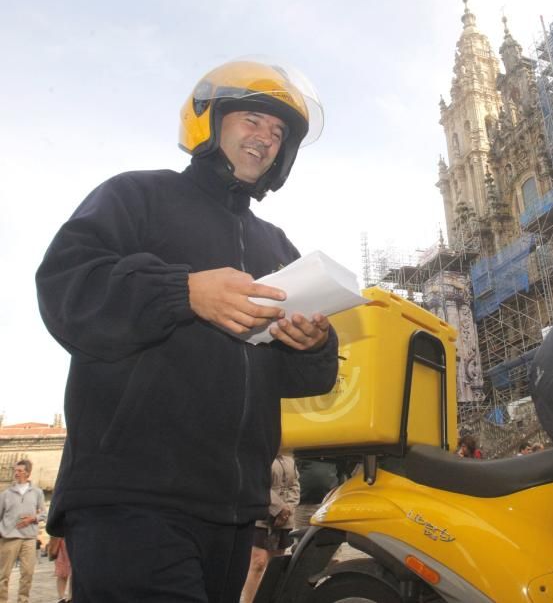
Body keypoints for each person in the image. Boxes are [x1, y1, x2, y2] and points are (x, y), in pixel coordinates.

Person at [35, 57, 340, 603]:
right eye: (252, 120)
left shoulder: (277, 245)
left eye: (277, 133)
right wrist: (184, 291)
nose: (264, 139)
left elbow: (297, 380)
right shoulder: (134, 197)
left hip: (234, 513)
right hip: (131, 501)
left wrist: (314, 344)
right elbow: (66, 291)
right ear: (208, 120)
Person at [242, 453, 300, 603]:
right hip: (262, 517)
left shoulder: (288, 457)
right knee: (258, 563)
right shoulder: (258, 454)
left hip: (284, 519)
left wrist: (288, 509)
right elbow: (256, 483)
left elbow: (295, 485)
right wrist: (278, 508)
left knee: (275, 566)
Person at [0, 460, 46, 603]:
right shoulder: (5, 494)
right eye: (15, 470)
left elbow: (44, 514)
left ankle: (23, 600)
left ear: (27, 472)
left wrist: (33, 518)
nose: (16, 473)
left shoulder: (37, 492)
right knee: (3, 575)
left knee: (27, 573)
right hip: (9, 538)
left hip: (29, 539)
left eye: (19, 470)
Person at [294, 457, 341, 530]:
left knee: (328, 537)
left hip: (328, 505)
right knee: (300, 536)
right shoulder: (302, 450)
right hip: (304, 505)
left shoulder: (333, 451)